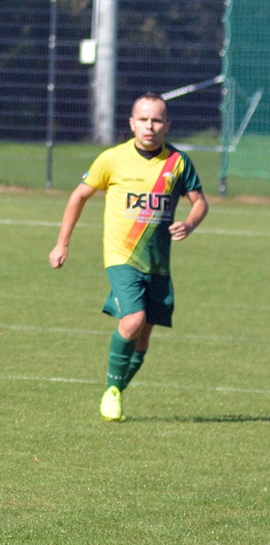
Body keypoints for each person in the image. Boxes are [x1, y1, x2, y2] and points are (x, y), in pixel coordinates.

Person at [49, 92, 208, 422]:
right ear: (132, 123)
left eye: (157, 120)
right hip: (121, 256)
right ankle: (111, 389)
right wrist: (62, 244)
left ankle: (117, 390)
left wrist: (190, 223)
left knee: (143, 335)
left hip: (158, 263)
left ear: (167, 125)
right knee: (133, 320)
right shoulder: (112, 159)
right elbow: (79, 196)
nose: (150, 126)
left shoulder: (178, 162)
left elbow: (200, 202)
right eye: (144, 120)